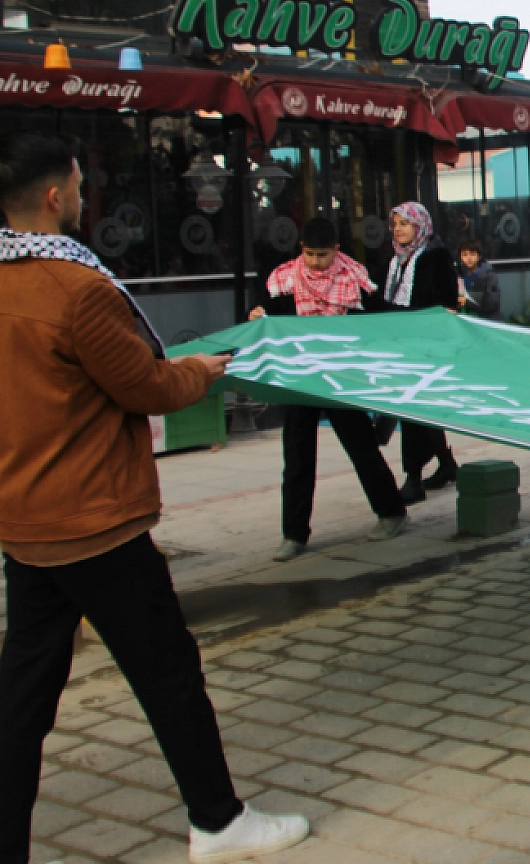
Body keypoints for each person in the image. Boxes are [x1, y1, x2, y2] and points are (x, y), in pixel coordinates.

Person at [0, 133, 310, 864]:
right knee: (169, 673)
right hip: (96, 521)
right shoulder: (77, 289)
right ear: (54, 196)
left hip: (26, 519)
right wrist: (201, 368)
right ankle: (219, 820)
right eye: (78, 184)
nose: (82, 195)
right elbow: (144, 384)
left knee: (25, 694)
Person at [249, 218, 409, 562]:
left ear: (336, 251)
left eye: (322, 255)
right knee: (297, 456)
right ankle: (294, 534)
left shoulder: (354, 279)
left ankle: (391, 511)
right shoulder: (285, 280)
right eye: (309, 254)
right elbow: (267, 310)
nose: (316, 262)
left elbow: (381, 314)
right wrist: (258, 312)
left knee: (361, 446)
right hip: (301, 377)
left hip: (340, 377)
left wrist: (421, 317)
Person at [382, 202, 460, 503]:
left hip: (426, 347)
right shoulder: (396, 260)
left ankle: (412, 478)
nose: (399, 229)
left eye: (405, 223)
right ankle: (446, 464)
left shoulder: (434, 256)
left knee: (412, 411)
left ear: (420, 226)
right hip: (402, 344)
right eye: (396, 223)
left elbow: (446, 303)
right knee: (420, 410)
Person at [456, 238, 501, 321]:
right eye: (465, 254)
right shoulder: (459, 275)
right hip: (465, 322)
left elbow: (491, 305)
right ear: (460, 257)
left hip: (485, 323)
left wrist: (467, 303)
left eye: (472, 254)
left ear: (479, 256)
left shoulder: (489, 276)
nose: (469, 258)